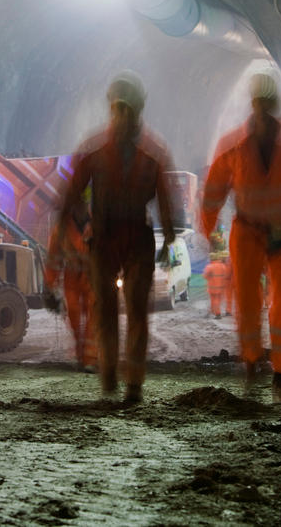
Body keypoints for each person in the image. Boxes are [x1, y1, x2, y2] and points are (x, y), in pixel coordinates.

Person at [200, 67, 281, 404]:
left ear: (273, 104)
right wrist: (208, 225)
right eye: (259, 102)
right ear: (253, 103)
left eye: (267, 102)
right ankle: (252, 361)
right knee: (246, 301)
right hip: (246, 232)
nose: (262, 108)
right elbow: (214, 190)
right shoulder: (233, 145)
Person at [56, 70, 177, 404]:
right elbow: (71, 196)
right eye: (118, 109)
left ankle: (133, 385)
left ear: (137, 111)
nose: (122, 116)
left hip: (137, 237)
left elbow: (166, 198)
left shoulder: (152, 155)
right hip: (105, 238)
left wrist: (169, 237)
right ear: (112, 109)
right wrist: (80, 228)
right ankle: (109, 378)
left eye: (128, 109)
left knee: (137, 312)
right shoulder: (95, 152)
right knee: (105, 309)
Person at [45, 196, 96, 371]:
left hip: (93, 276)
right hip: (72, 277)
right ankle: (81, 354)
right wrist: (50, 286)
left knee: (94, 316)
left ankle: (90, 358)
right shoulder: (61, 230)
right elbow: (54, 259)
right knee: (73, 315)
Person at [203, 252, 231, 318]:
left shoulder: (209, 266)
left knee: (214, 300)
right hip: (221, 287)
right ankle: (214, 311)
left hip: (212, 287)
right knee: (218, 300)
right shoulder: (223, 266)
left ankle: (217, 313)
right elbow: (226, 275)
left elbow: (205, 276)